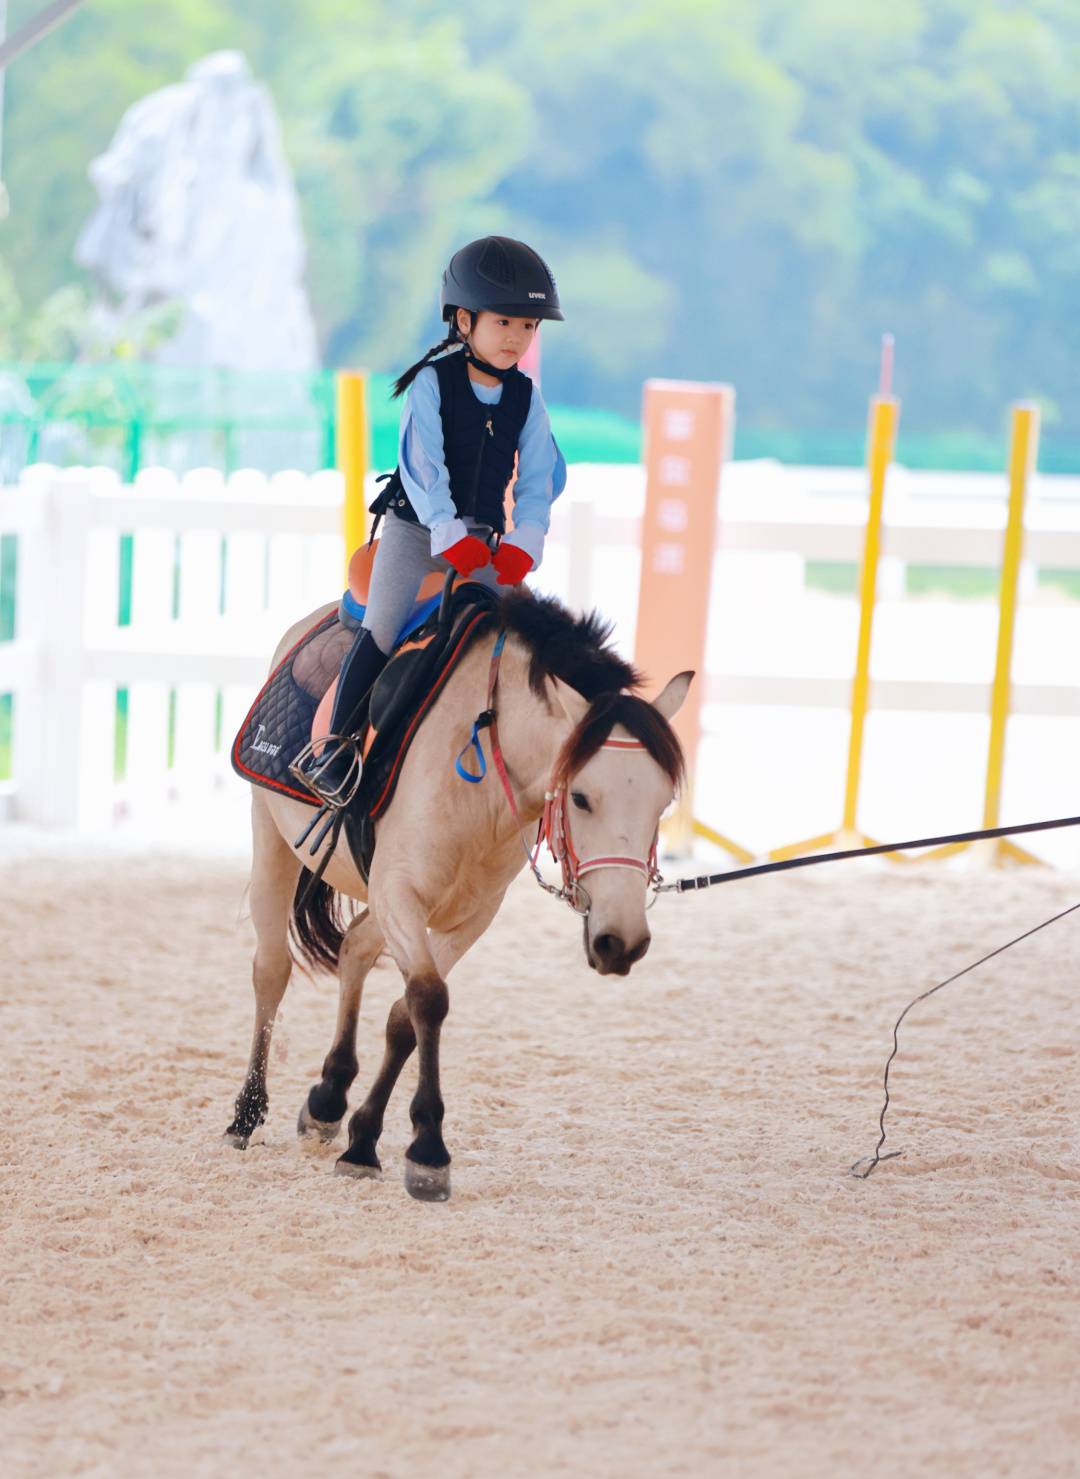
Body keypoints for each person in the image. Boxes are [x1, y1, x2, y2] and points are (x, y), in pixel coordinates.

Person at [300, 234, 567, 804]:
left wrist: (526, 540)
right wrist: (448, 535)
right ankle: (334, 750)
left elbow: (541, 477)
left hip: (483, 539)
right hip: (417, 529)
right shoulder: (432, 383)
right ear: (464, 320)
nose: (517, 338)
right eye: (505, 323)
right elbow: (424, 469)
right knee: (385, 626)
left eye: (528, 327)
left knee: (516, 642)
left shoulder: (527, 398)